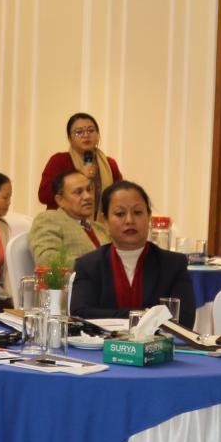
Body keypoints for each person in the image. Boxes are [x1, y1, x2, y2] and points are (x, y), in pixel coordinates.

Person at [71, 181, 194, 327]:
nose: (129, 220)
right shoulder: (89, 265)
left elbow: (183, 318)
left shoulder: (173, 264)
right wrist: (146, 315)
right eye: (120, 214)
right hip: (103, 347)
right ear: (105, 220)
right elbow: (81, 314)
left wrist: (113, 316)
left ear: (149, 216)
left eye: (137, 212)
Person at [37, 113, 122, 214]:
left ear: (98, 136)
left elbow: (119, 197)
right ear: (70, 138)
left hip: (100, 227)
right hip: (63, 225)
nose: (86, 135)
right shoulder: (59, 160)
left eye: (91, 130)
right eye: (79, 132)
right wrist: (78, 175)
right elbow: (43, 195)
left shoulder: (109, 164)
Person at [29, 170, 110, 269]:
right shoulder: (50, 219)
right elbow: (47, 259)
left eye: (89, 190)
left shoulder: (100, 228)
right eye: (78, 192)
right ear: (60, 200)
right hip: (75, 283)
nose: (88, 196)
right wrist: (94, 266)